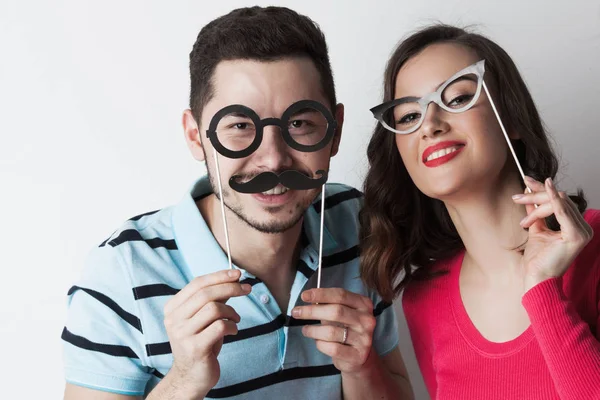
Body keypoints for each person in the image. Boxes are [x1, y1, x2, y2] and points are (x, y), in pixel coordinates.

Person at [61, 6, 414, 400]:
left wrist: (363, 367)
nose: (274, 159)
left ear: (335, 132)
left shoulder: (360, 224)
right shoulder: (122, 271)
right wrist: (183, 380)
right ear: (196, 136)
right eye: (240, 126)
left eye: (299, 123)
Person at [360, 24, 600, 400]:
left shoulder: (596, 248)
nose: (430, 126)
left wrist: (542, 289)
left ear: (514, 118)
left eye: (457, 98)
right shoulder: (424, 301)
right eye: (408, 116)